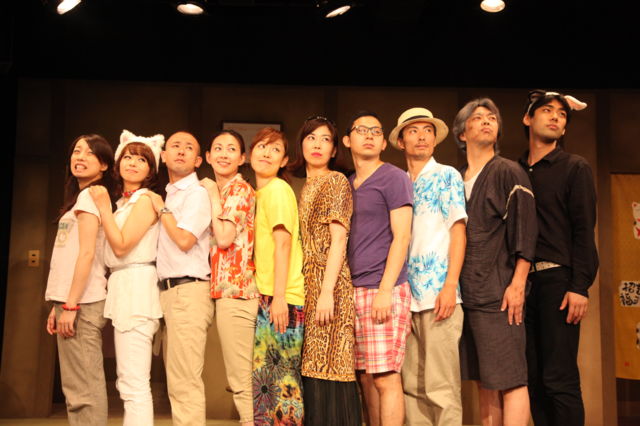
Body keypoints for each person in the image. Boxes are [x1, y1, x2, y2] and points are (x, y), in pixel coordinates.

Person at [453, 98, 538, 426]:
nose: (487, 121)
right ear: (462, 133)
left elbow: (525, 230)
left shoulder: (507, 171)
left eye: (492, 117)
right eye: (478, 118)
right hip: (468, 294)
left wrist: (517, 284)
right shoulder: (456, 178)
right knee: (484, 381)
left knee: (511, 379)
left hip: (500, 293)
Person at [519, 90, 598, 426]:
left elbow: (584, 230)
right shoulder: (515, 170)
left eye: (562, 114)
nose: (555, 117)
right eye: (547, 110)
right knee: (532, 379)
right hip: (523, 285)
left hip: (558, 281)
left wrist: (579, 286)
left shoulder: (574, 167)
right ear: (528, 118)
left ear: (564, 128)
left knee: (558, 378)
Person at [389, 107, 467, 425]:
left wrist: (450, 286)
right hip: (406, 299)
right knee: (411, 387)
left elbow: (458, 232)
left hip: (438, 297)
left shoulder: (447, 175)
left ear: (435, 139)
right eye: (413, 130)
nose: (421, 136)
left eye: (427, 131)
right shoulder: (399, 182)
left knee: (441, 387)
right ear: (401, 141)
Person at [288, 116, 362, 426]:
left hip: (329, 285)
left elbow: (339, 238)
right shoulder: (304, 186)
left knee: (331, 368)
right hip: (306, 284)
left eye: (325, 139)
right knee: (311, 368)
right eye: (311, 138)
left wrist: (327, 291)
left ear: (334, 150)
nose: (317, 144)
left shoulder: (336, 180)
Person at [88, 130, 165, 426]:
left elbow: (121, 247)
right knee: (127, 381)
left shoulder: (144, 200)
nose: (133, 163)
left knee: (134, 382)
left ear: (151, 170)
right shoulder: (123, 202)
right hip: (124, 287)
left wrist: (103, 208)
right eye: (128, 157)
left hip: (136, 287)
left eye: (141, 160)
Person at [343, 111, 413, 426]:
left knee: (385, 376)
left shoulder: (393, 177)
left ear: (384, 143)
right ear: (347, 140)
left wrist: (385, 291)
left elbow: (402, 236)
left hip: (384, 288)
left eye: (376, 131)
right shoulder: (346, 184)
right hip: (353, 289)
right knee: (365, 378)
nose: (369, 135)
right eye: (362, 130)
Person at [44, 134, 115, 426]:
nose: (80, 157)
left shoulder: (91, 196)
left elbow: (87, 254)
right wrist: (59, 304)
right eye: (77, 151)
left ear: (104, 165)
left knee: (83, 387)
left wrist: (71, 305)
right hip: (71, 300)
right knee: (76, 387)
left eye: (89, 153)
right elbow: (68, 255)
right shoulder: (80, 197)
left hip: (82, 303)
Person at [145, 131, 213, 426]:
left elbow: (185, 240)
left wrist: (161, 209)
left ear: (198, 160)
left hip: (188, 290)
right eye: (175, 146)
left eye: (189, 148)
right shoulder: (170, 193)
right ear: (163, 156)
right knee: (176, 380)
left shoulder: (196, 193)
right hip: (168, 292)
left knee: (185, 380)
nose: (181, 151)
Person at [200, 130, 259, 426]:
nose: (224, 154)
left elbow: (223, 238)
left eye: (231, 149)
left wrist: (211, 193)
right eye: (218, 148)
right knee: (239, 374)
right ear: (208, 156)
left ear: (242, 157)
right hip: (226, 291)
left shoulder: (237, 190)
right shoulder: (226, 191)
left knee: (240, 376)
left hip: (237, 291)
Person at [250, 127, 305, 425]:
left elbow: (283, 244)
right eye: (262, 146)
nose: (267, 153)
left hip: (283, 299)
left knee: (284, 386)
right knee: (266, 386)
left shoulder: (278, 190)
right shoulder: (260, 193)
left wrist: (280, 298)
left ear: (284, 161)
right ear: (251, 153)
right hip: (268, 296)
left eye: (275, 150)